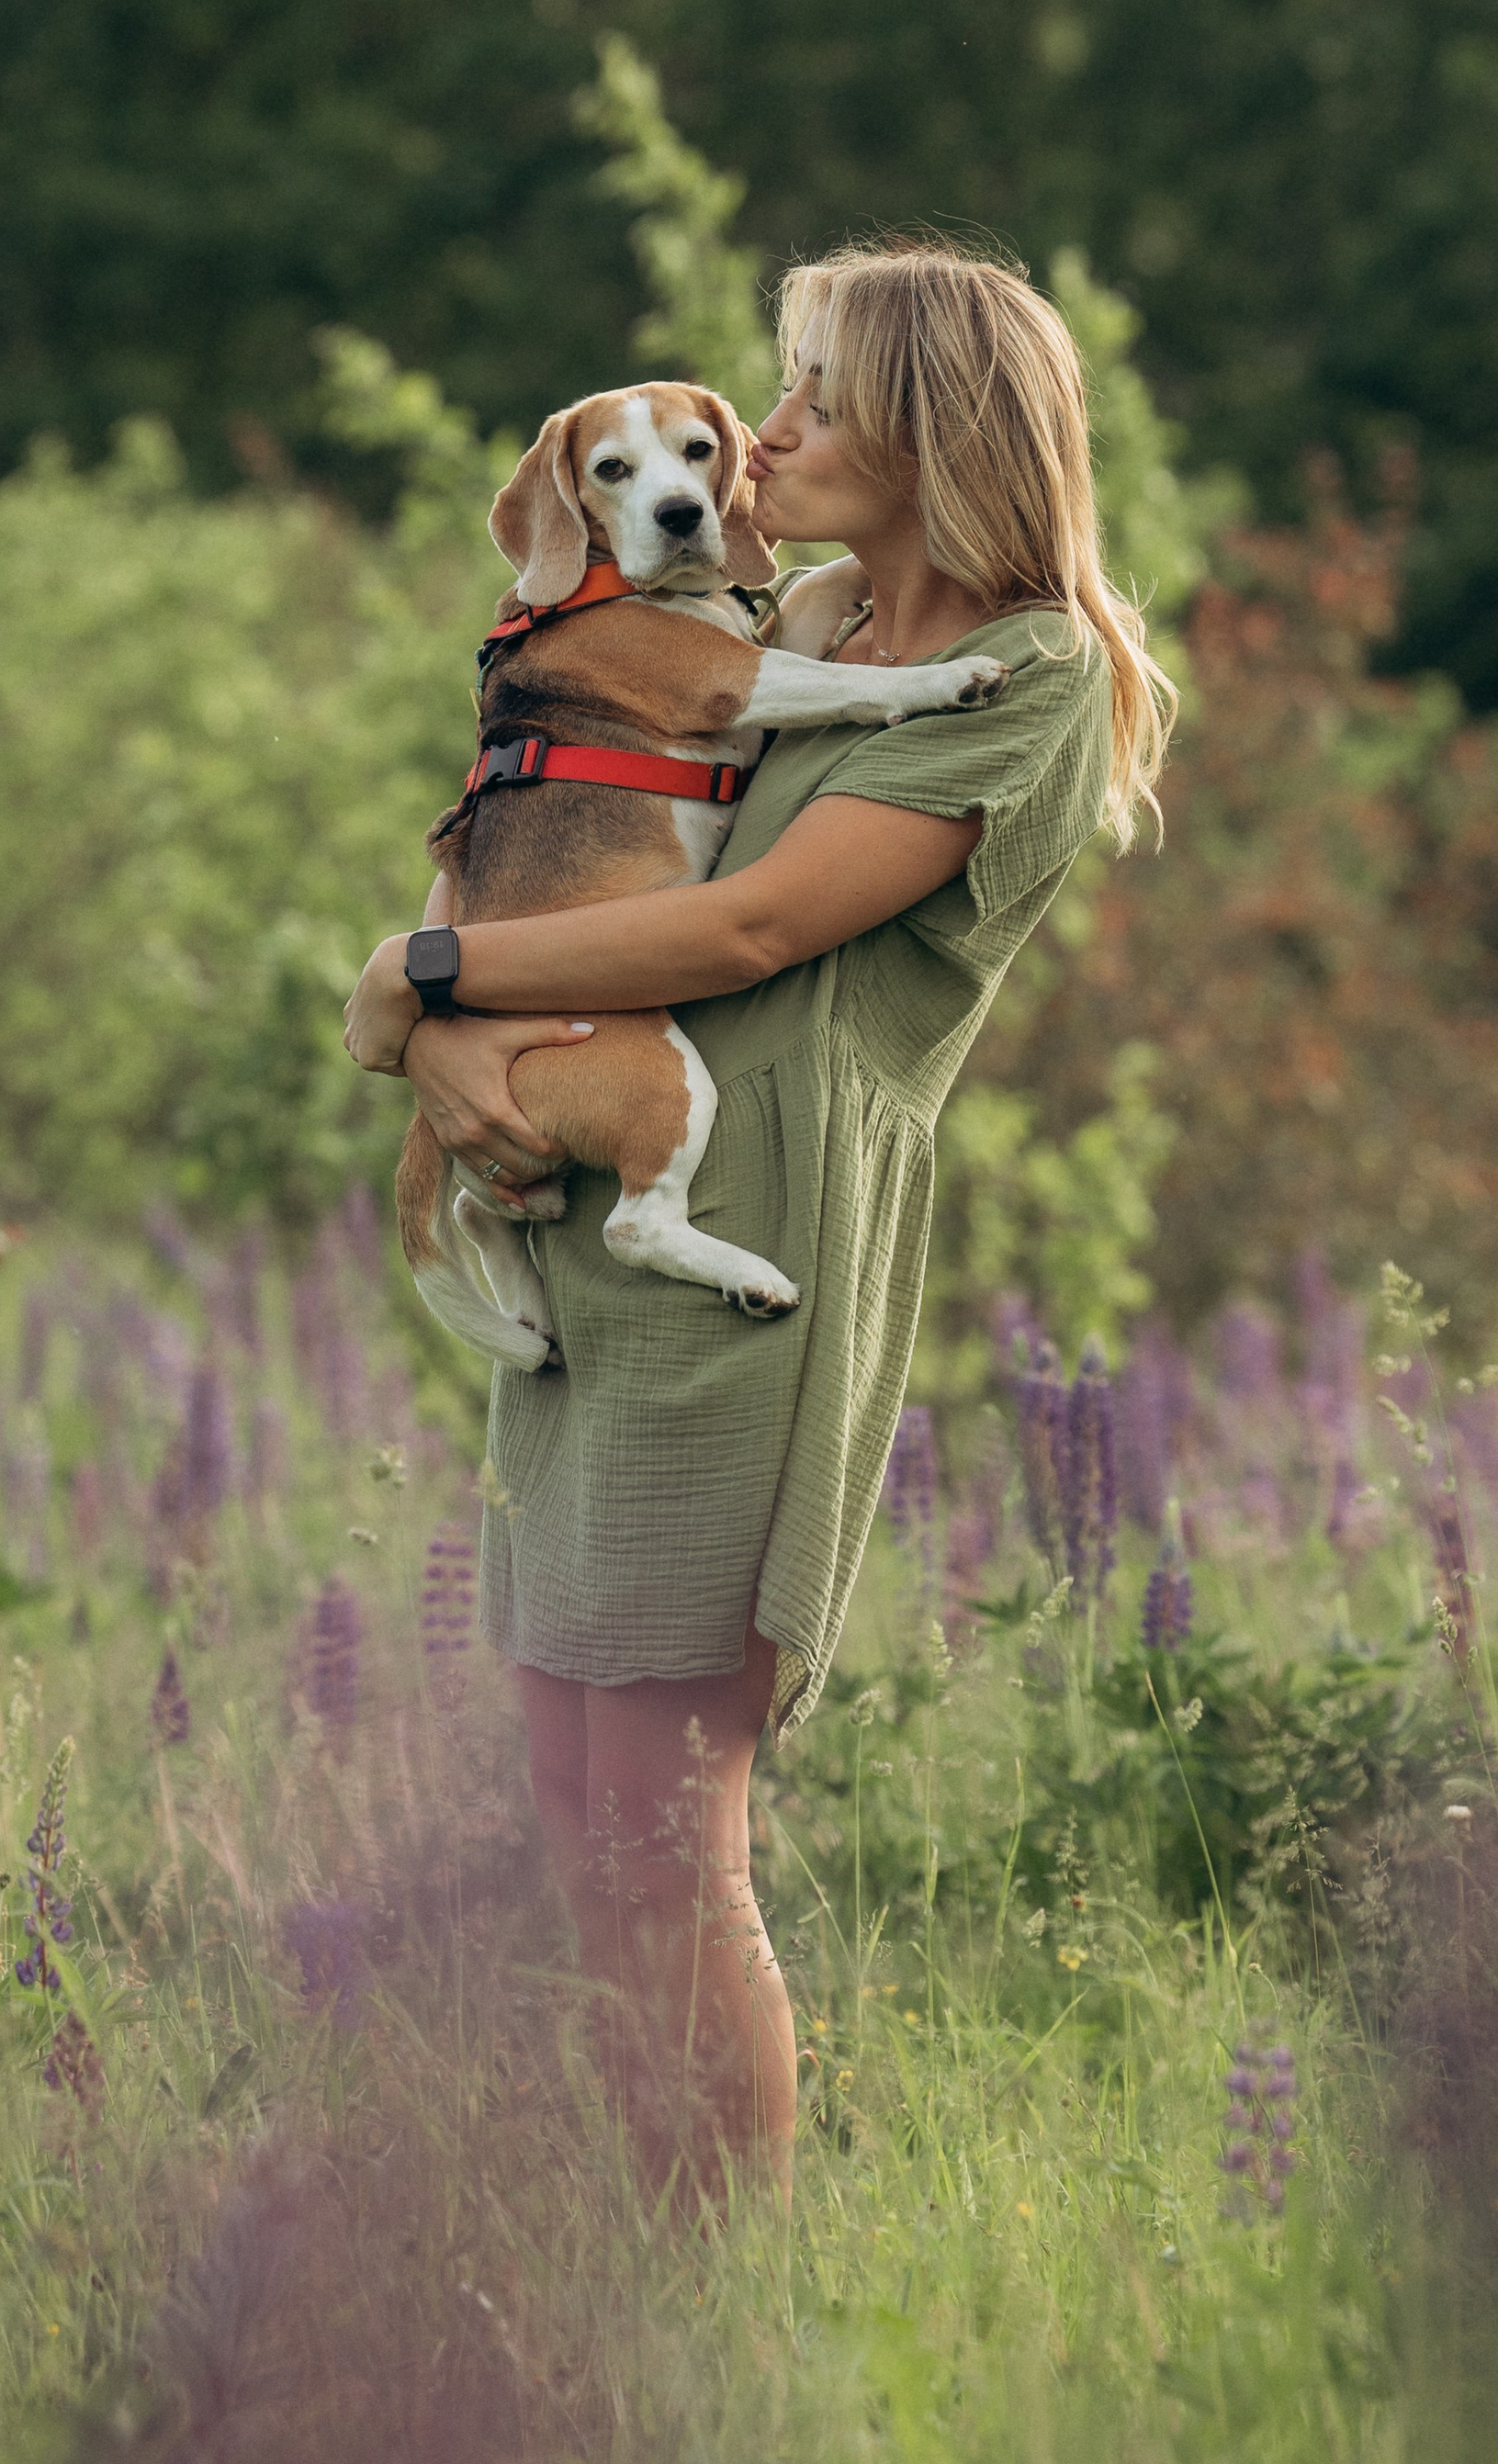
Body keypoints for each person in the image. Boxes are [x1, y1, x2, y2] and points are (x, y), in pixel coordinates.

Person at [344, 237, 1173, 2207]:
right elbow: (562, 801)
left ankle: (712, 2281)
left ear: (930, 427)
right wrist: (459, 1035)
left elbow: (745, 924)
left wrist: (415, 977)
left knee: (661, 1818)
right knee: (568, 1792)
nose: (765, 433)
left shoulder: (1032, 682)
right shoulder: (792, 615)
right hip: (605, 1195)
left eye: (806, 395)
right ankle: (632, 2232)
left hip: (760, 1248)